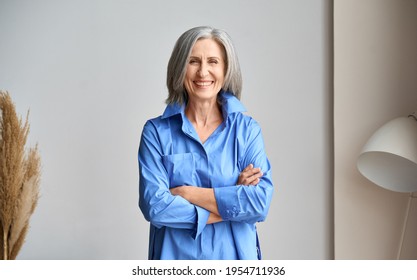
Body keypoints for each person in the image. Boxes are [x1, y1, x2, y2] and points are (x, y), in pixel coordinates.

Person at [138, 26, 274, 260]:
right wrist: (231, 202)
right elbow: (156, 208)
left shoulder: (246, 130)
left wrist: (187, 193)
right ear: (180, 68)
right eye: (193, 61)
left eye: (213, 61)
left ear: (225, 69)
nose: (203, 72)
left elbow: (259, 203)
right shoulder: (156, 133)